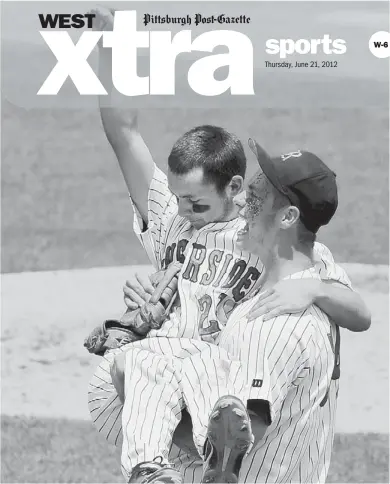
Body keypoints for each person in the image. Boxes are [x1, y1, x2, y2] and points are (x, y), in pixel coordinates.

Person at [87, 6, 371, 483]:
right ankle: (155, 465)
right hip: (179, 392)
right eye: (177, 199)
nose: (182, 214)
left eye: (197, 204)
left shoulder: (264, 238)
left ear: (234, 188)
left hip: (236, 405)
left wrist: (317, 290)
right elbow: (124, 134)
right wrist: (113, 45)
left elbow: (356, 310)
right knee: (129, 367)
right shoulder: (172, 220)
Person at [200, 141, 347, 483]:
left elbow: (232, 451)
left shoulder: (268, 324)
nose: (239, 205)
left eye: (253, 198)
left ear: (288, 217)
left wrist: (140, 405)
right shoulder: (322, 275)